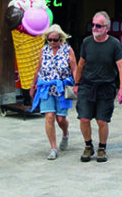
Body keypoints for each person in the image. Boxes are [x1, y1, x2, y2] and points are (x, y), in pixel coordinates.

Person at [73, 11, 122, 163]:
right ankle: (88, 146)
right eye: (93, 25)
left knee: (102, 121)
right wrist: (77, 84)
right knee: (84, 118)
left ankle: (102, 148)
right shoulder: (87, 42)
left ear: (106, 28)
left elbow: (121, 68)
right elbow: (81, 63)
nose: (94, 28)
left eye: (98, 25)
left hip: (106, 87)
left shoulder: (114, 44)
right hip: (87, 86)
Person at [30, 24, 78, 160]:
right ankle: (53, 148)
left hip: (62, 88)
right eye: (49, 40)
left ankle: (65, 133)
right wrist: (33, 85)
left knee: (61, 118)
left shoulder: (68, 50)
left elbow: (74, 68)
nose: (52, 43)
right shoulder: (44, 51)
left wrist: (77, 84)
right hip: (46, 88)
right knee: (49, 117)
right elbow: (38, 69)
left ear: (61, 39)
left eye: (55, 40)